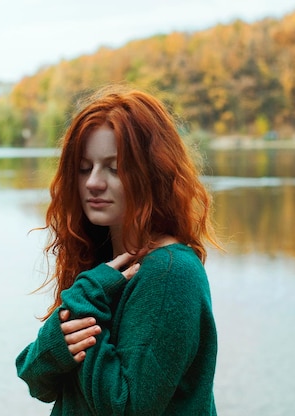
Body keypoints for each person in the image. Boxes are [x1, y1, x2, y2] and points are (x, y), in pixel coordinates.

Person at [16, 84, 220, 415]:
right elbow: (34, 376)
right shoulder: (104, 269)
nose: (94, 182)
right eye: (85, 168)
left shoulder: (169, 273)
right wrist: (62, 338)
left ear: (153, 172)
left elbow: (125, 407)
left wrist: (83, 301)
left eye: (115, 167)